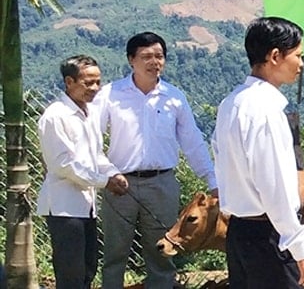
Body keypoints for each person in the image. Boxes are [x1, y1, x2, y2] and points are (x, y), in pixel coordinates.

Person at [94, 32, 218, 289]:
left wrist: (211, 178)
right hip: (119, 185)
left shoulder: (173, 97)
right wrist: (107, 173)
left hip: (162, 184)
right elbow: (92, 137)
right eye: (146, 56)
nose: (154, 62)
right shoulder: (111, 94)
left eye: (159, 56)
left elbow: (192, 141)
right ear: (131, 60)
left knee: (162, 254)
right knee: (115, 254)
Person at [212, 17, 304, 289]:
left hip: (239, 232)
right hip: (269, 236)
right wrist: (300, 245)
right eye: (297, 55)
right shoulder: (266, 111)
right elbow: (275, 186)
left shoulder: (231, 103)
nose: (301, 64)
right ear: (275, 56)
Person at [36, 55, 129, 289]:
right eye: (88, 83)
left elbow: (95, 154)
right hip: (63, 206)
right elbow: (63, 164)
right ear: (69, 82)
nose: (95, 88)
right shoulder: (56, 116)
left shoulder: (89, 114)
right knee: (71, 274)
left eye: (98, 82)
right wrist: (103, 181)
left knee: (88, 267)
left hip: (86, 206)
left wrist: (114, 173)